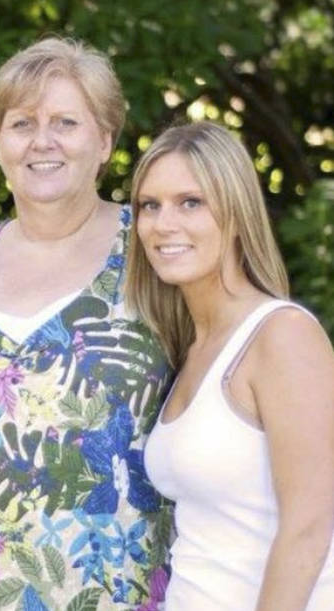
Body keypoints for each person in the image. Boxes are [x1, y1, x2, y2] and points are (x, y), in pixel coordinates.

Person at [0, 37, 173, 610]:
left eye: (66, 122)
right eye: (22, 123)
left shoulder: (155, 249)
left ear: (104, 141)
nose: (43, 141)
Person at [127, 120, 334, 610]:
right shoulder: (194, 348)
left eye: (190, 202)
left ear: (236, 212)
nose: (163, 223)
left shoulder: (281, 335)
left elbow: (310, 526)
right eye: (149, 206)